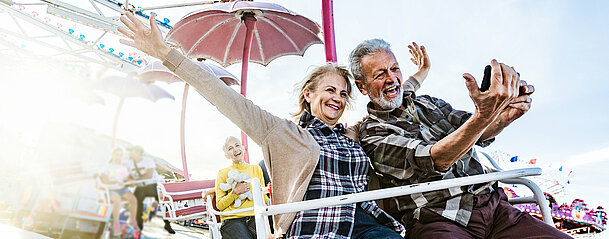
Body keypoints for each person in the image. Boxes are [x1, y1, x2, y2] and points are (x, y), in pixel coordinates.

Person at [117, 12, 427, 238]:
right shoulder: (283, 133)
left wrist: (418, 75)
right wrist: (166, 54)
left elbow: (390, 94)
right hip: (316, 228)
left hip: (364, 224)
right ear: (309, 94)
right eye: (330, 90)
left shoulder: (353, 133)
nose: (338, 98)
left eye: (344, 94)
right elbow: (222, 95)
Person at [348, 39, 571, 238]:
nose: (391, 78)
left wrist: (505, 115)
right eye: (380, 74)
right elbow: (436, 159)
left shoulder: (429, 103)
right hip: (439, 219)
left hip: (494, 207)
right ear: (362, 86)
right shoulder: (372, 133)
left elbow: (479, 132)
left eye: (394, 69)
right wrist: (484, 115)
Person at [216, 136, 269, 239]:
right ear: (227, 155)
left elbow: (263, 195)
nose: (235, 149)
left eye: (237, 145)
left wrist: (268, 202)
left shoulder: (256, 169)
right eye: (230, 148)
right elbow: (220, 205)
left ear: (243, 148)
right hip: (232, 219)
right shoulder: (222, 173)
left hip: (256, 217)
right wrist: (235, 193)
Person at [124, 145, 175, 234]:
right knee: (136, 203)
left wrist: (133, 180)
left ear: (137, 152)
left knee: (163, 203)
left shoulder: (147, 161)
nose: (130, 153)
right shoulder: (129, 163)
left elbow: (149, 175)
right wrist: (128, 181)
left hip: (152, 184)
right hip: (140, 186)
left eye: (131, 151)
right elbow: (128, 175)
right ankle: (139, 225)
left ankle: (167, 224)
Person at [99, 147, 139, 237]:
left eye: (120, 155)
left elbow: (127, 179)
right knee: (117, 200)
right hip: (110, 189)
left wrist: (132, 182)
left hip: (121, 189)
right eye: (117, 155)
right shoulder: (107, 167)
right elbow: (105, 181)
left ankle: (132, 221)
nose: (118, 157)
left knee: (133, 199)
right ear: (113, 155)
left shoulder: (122, 168)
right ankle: (115, 224)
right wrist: (115, 182)